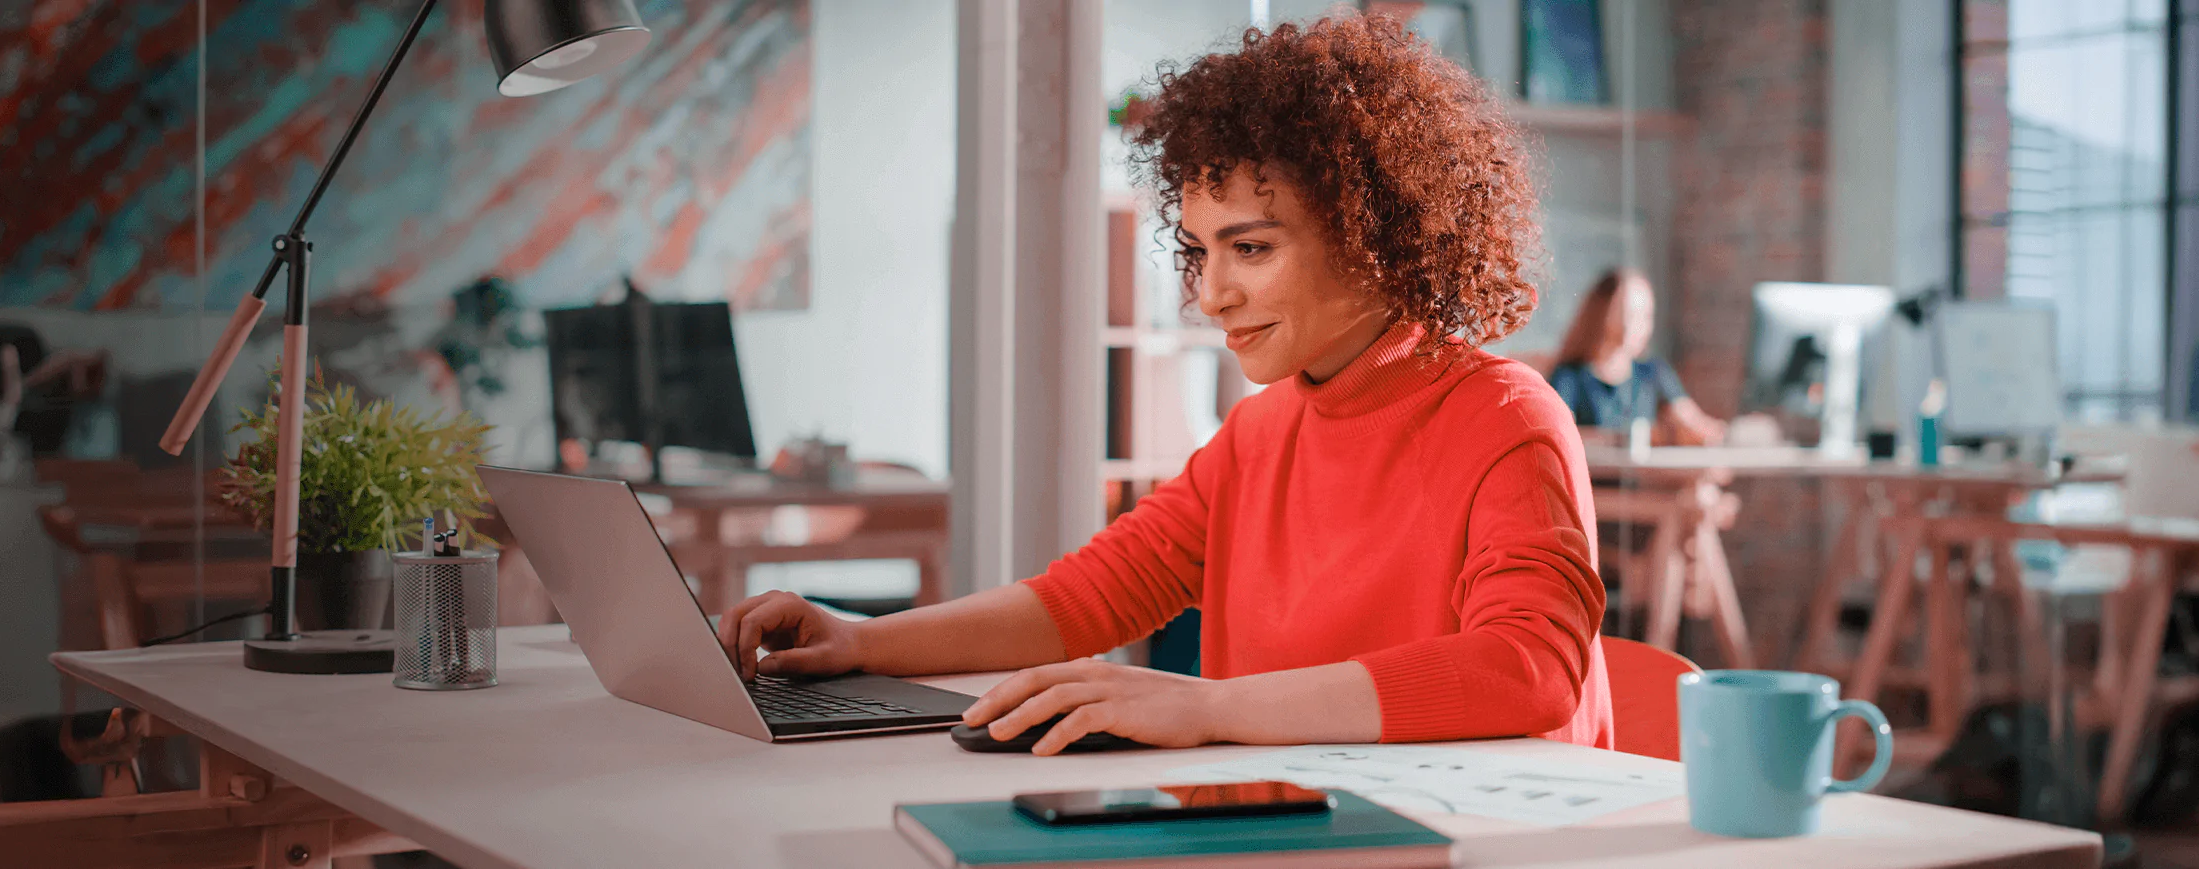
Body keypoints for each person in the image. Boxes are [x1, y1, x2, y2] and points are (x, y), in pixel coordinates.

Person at [714, 14, 1610, 755]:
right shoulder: (1262, 433)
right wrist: (863, 640)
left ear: (1377, 239)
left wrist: (1209, 707)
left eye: (1251, 248)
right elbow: (1087, 597)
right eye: (1199, 252)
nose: (1210, 294)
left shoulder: (1505, 420)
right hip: (1304, 827)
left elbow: (1525, 666)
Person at [1546, 269, 1728, 445]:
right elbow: (1559, 434)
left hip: (1643, 476)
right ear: (1603, 310)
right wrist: (1629, 439)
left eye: (1645, 315)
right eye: (1629, 312)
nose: (1636, 324)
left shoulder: (1653, 372)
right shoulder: (1569, 377)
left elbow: (1692, 422)